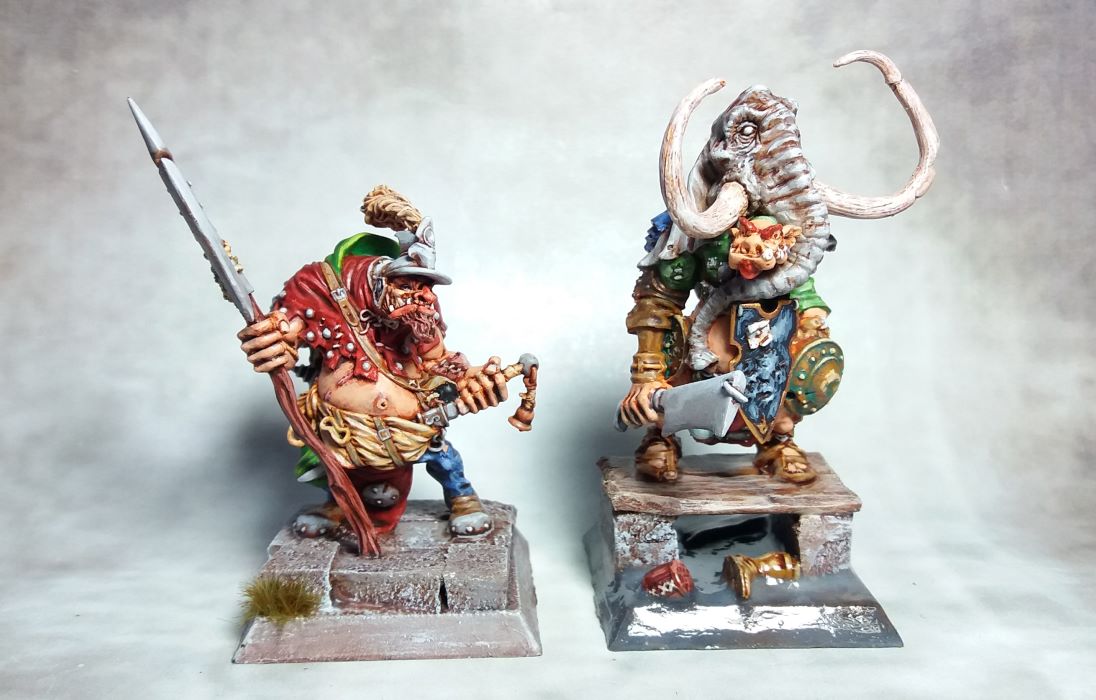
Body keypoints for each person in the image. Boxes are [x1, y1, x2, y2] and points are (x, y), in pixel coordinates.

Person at [238, 186, 508, 537]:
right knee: (337, 464)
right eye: (409, 286)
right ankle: (337, 503)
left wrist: (471, 378)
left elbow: (437, 359)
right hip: (344, 426)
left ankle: (462, 497)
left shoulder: (420, 307)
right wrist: (273, 339)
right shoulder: (321, 285)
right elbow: (286, 330)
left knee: (439, 455)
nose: (424, 298)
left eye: (427, 289)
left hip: (411, 425)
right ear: (384, 280)